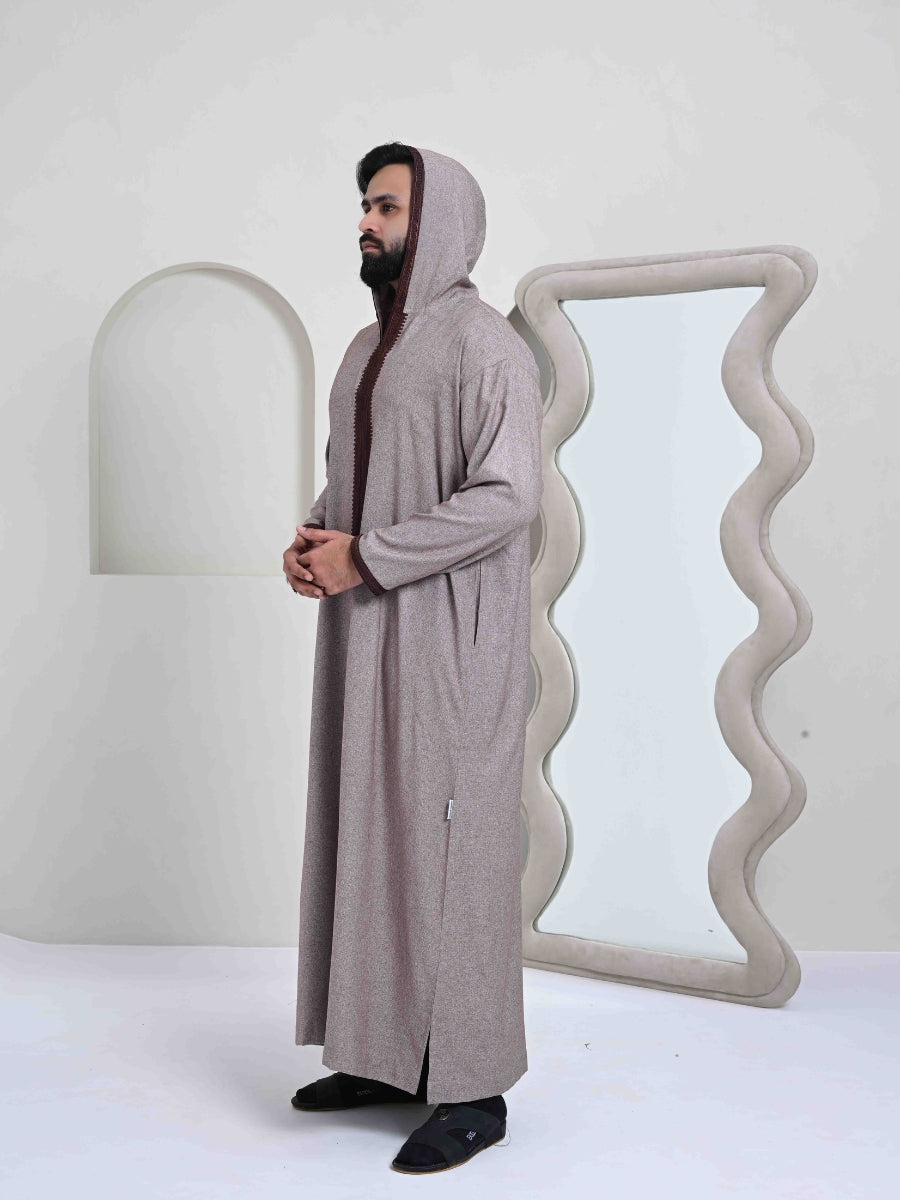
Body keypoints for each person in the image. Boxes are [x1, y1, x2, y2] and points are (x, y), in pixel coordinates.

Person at [282, 142, 543, 1174]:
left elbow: (508, 496)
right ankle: (384, 1056)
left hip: (449, 642)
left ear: (441, 220)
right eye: (365, 205)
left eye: (387, 206)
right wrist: (315, 538)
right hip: (364, 631)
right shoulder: (364, 347)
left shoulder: (485, 346)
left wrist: (369, 556)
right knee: (368, 832)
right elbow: (351, 477)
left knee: (453, 853)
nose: (367, 222)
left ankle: (472, 1085)